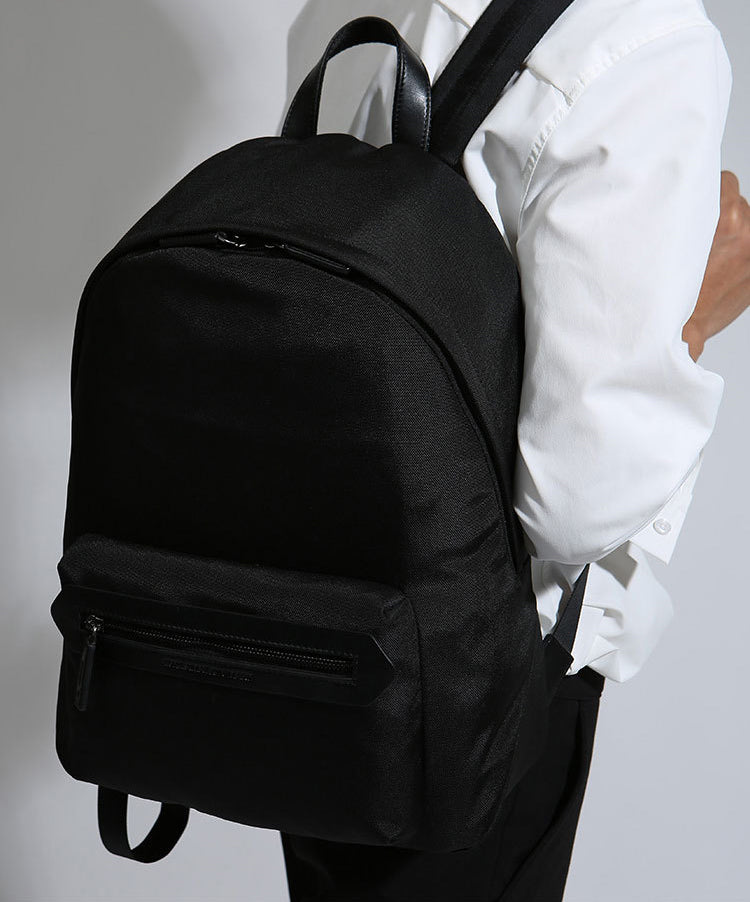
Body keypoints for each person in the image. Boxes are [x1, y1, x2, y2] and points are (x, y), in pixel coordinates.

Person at [280, 1, 749, 899]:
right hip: (472, 676)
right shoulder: (648, 41)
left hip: (305, 612)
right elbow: (574, 505)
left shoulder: (342, 8)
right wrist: (694, 320)